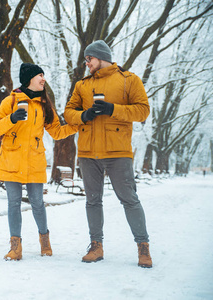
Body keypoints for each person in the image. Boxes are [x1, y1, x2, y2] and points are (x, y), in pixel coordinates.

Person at [63, 40, 153, 268]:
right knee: (92, 201)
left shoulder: (128, 80)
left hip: (118, 151)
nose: (87, 64)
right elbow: (68, 112)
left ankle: (143, 247)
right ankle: (96, 246)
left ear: (100, 57)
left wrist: (113, 109)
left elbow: (143, 110)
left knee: (129, 199)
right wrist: (84, 115)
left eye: (89, 59)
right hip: (87, 152)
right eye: (85, 60)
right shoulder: (82, 85)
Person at [0, 63, 78, 261]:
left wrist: (78, 125)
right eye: (40, 75)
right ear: (29, 78)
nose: (43, 79)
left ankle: (45, 241)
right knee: (13, 204)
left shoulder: (44, 104)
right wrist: (12, 118)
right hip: (11, 159)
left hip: (34, 160)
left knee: (38, 203)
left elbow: (57, 131)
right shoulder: (10, 101)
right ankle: (15, 247)